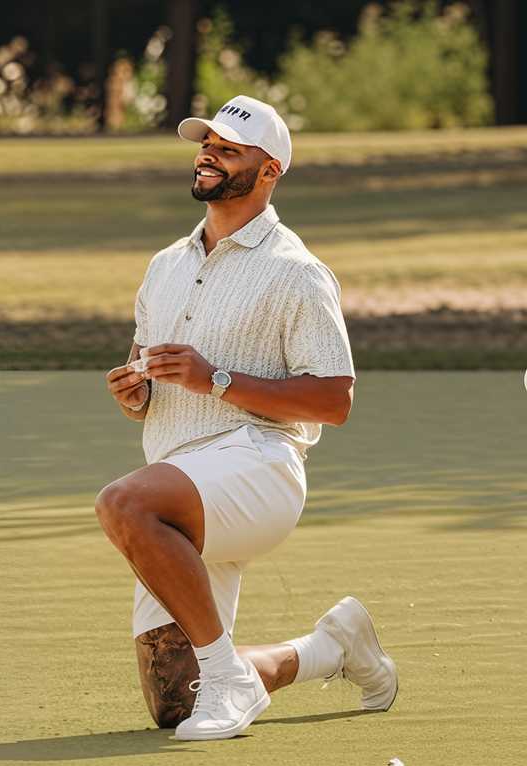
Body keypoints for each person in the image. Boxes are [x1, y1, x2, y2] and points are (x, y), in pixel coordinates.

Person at [95, 95, 397, 741]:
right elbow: (147, 368)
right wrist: (135, 393)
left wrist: (216, 379)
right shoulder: (166, 264)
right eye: (206, 144)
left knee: (124, 504)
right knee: (176, 701)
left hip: (258, 468)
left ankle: (229, 679)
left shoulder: (296, 271)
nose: (208, 155)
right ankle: (331, 649)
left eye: (228, 149)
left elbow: (334, 401)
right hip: (182, 486)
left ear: (269, 172)